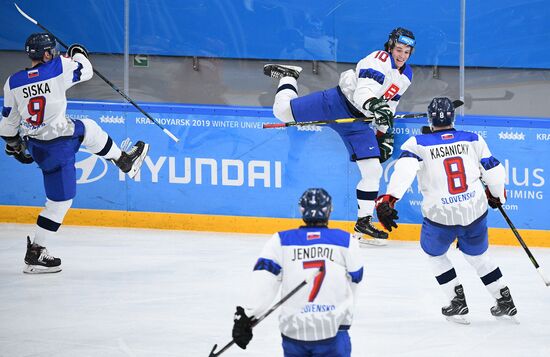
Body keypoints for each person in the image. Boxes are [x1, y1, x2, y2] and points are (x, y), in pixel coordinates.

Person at [0, 33, 149, 274]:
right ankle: (36, 253)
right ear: (46, 54)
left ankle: (124, 161)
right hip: (57, 146)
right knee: (60, 203)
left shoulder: (13, 81)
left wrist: (15, 145)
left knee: (87, 128)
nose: (56, 53)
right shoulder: (58, 67)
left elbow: (7, 126)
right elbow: (86, 70)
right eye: (53, 50)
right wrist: (79, 51)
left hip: (37, 146)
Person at [263, 27, 416, 245]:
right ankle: (289, 76)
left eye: (407, 52)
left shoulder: (406, 75)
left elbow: (390, 105)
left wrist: (384, 132)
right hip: (336, 103)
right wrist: (375, 106)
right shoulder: (378, 59)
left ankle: (363, 224)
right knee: (282, 112)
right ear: (391, 47)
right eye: (399, 49)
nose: (401, 55)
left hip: (359, 123)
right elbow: (364, 93)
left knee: (373, 170)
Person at [374, 97, 517, 323]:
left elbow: (405, 169)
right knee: (479, 257)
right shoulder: (473, 138)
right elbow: (493, 170)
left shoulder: (417, 143)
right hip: (474, 211)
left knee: (435, 255)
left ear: (430, 119)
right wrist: (496, 195)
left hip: (440, 215)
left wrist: (389, 199)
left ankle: (457, 301)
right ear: (453, 117)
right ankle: (504, 298)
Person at [231, 188, 363, 356]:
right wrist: (344, 319)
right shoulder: (346, 241)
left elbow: (263, 280)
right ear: (329, 210)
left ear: (302, 210)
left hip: (294, 330)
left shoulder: (280, 241)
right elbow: (355, 280)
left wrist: (247, 316)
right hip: (332, 330)